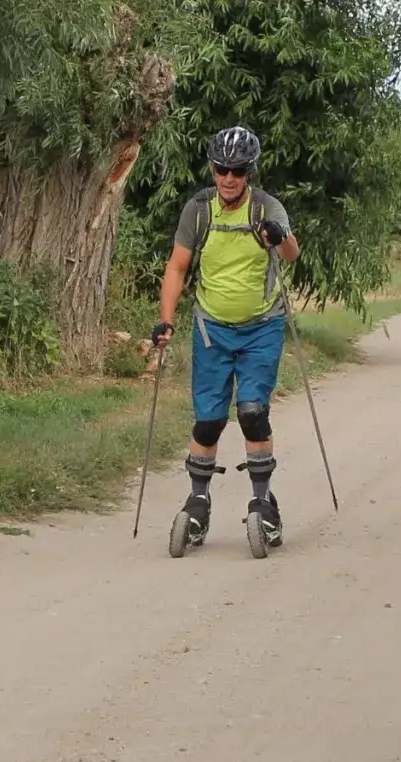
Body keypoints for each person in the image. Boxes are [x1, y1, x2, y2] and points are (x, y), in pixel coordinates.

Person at [151, 126, 301, 549]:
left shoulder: (266, 208)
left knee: (252, 412)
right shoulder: (199, 211)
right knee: (209, 420)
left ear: (249, 171)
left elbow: (292, 254)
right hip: (211, 327)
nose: (228, 178)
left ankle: (263, 505)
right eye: (221, 169)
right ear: (213, 170)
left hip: (262, 326)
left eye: (237, 170)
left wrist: (279, 236)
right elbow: (177, 268)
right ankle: (198, 504)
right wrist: (166, 321)